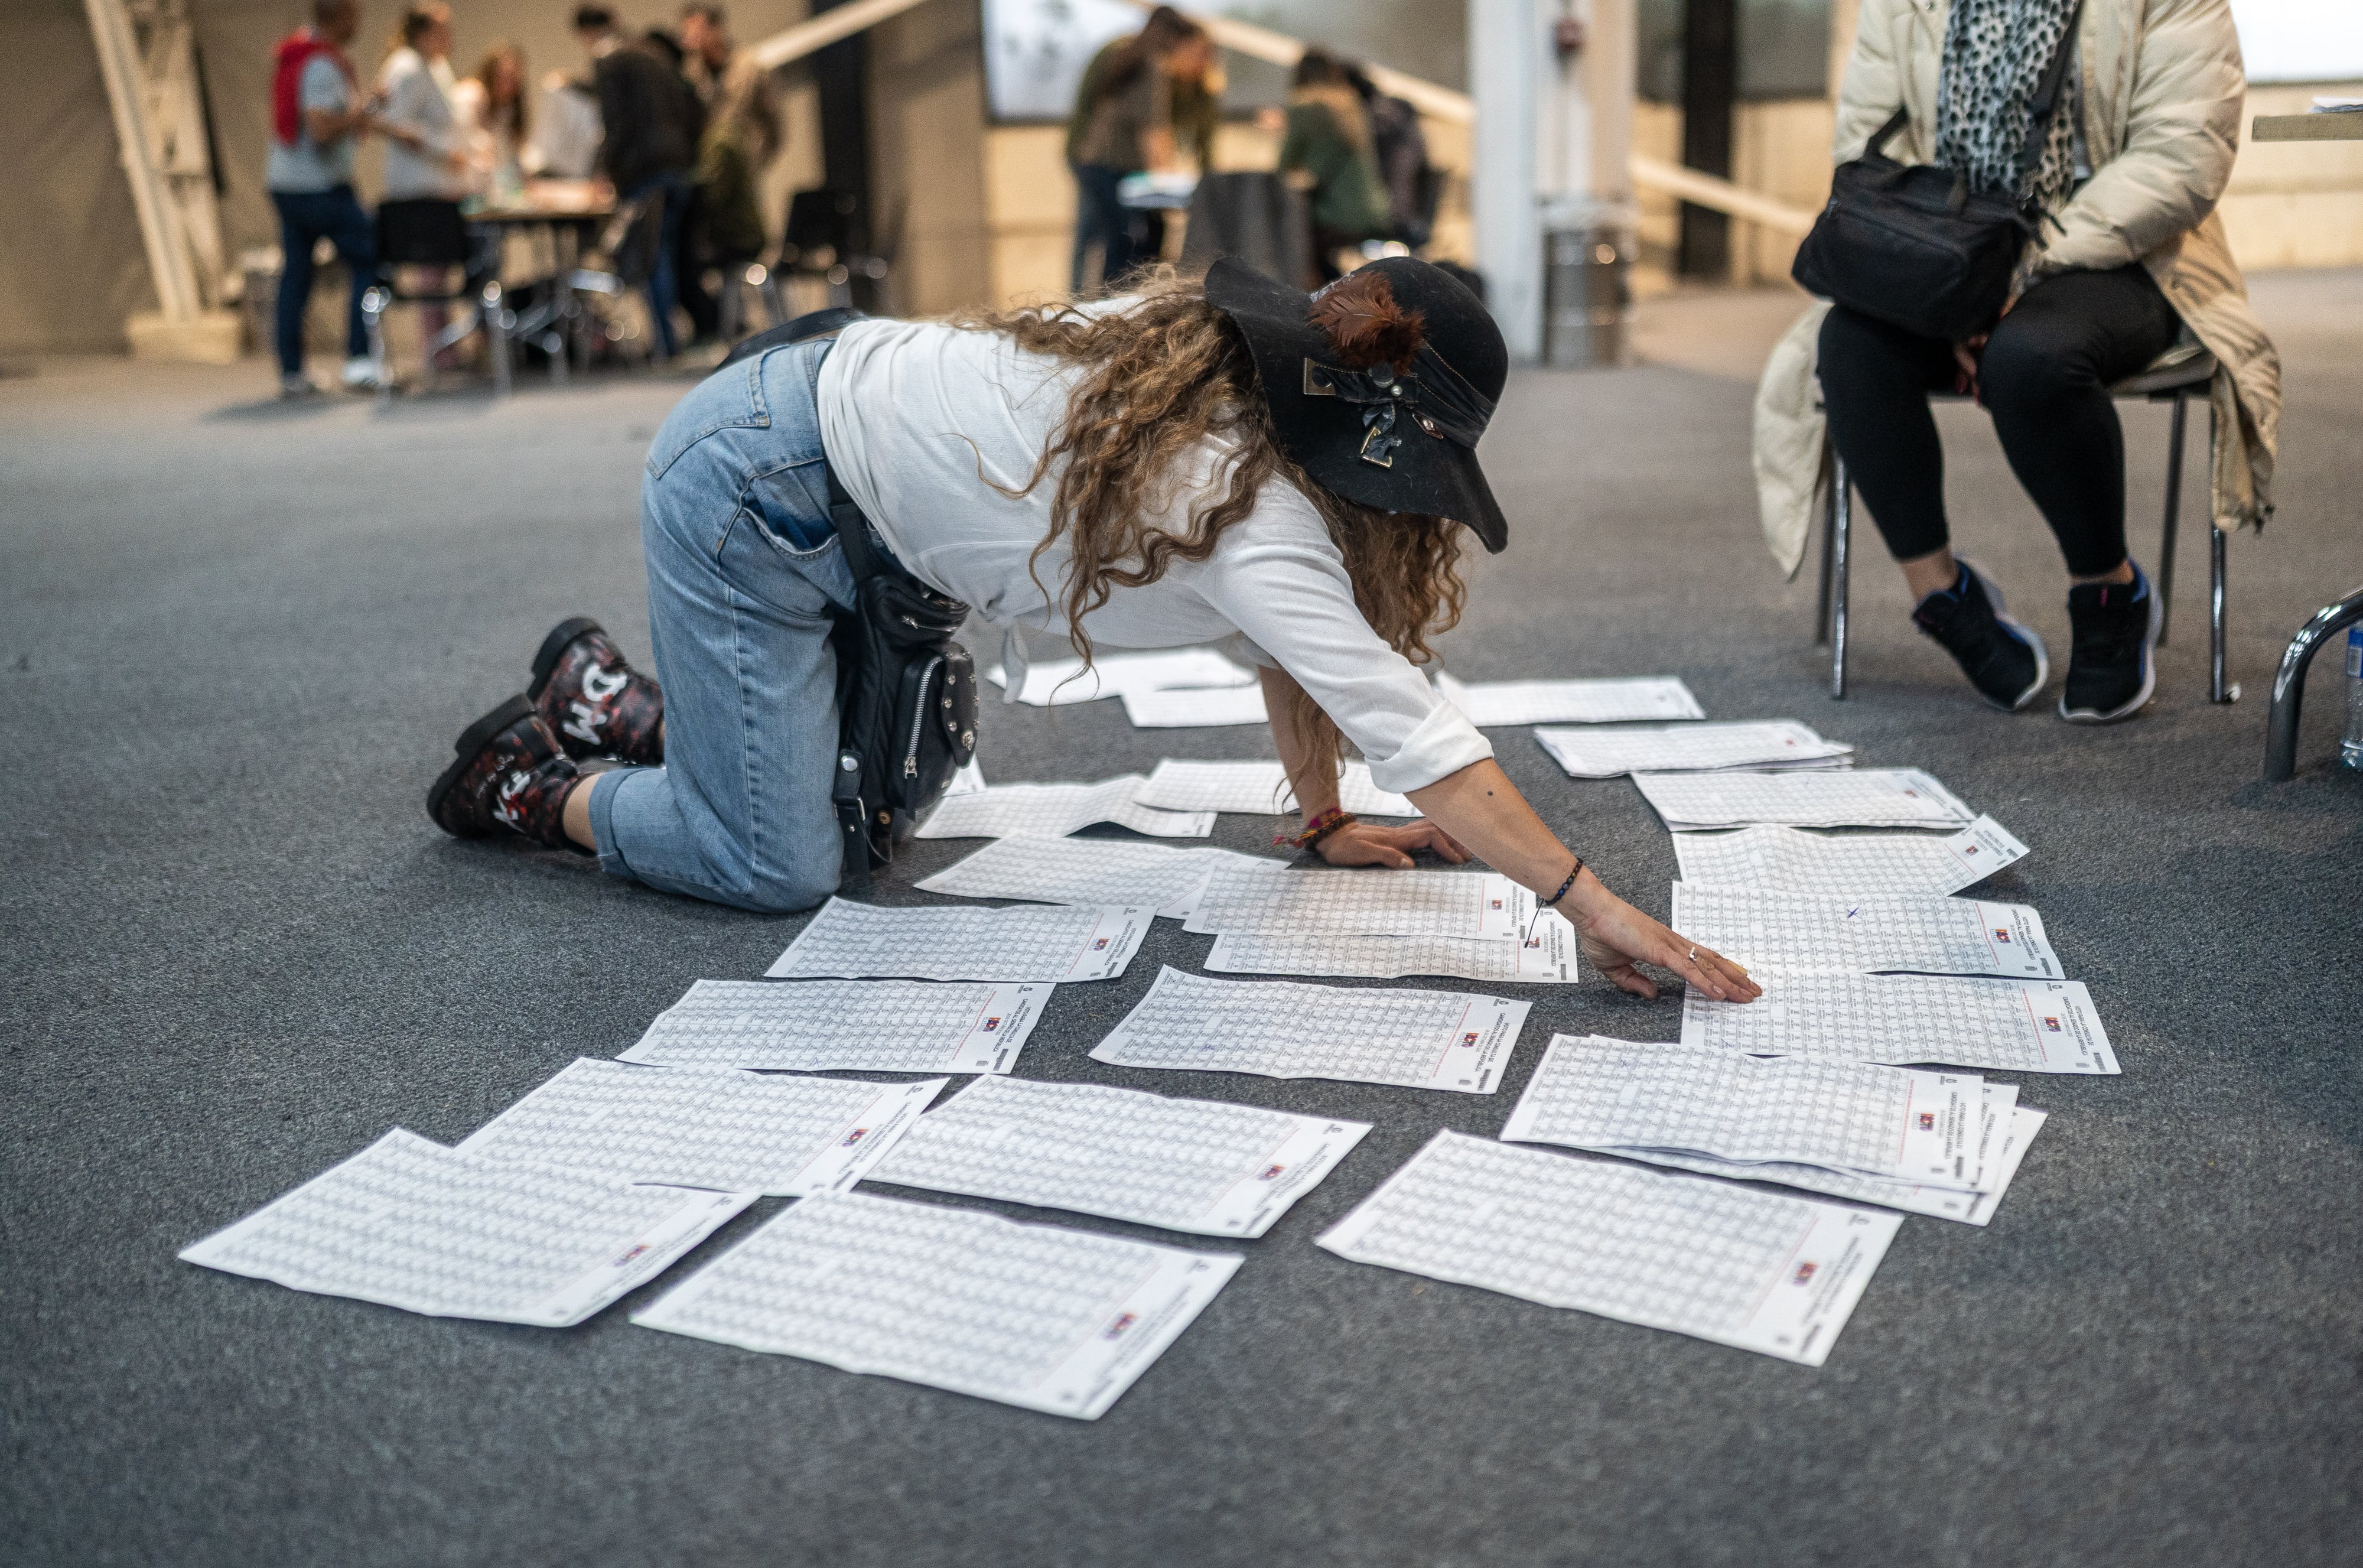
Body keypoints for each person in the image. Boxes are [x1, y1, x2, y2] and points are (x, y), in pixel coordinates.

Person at [421, 256, 1763, 1008]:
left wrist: (1318, 814)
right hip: (754, 490)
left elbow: (1309, 660)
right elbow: (1425, 737)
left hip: (848, 499)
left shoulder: (1229, 384)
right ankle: (538, 781)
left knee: (891, 812)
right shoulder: (1248, 508)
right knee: (778, 862)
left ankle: (618, 700)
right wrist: (1586, 907)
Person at [1760, 0, 2280, 723]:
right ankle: (1940, 595)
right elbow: (1869, 147)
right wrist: (1940, 281)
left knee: (2030, 359)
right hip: (1948, 254)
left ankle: (2110, 593)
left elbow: (2182, 159)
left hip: (2126, 258)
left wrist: (2018, 275)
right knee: (1850, 347)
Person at [572, 5, 704, 360]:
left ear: (586, 32)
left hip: (645, 171)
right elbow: (692, 108)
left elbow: (616, 125)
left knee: (650, 258)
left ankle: (665, 346)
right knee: (669, 254)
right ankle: (676, 339)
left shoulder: (609, 59)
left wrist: (606, 172)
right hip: (679, 166)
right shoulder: (656, 55)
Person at [265, 0, 380, 398]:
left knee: (297, 274)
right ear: (342, 16)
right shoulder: (320, 64)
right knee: (369, 259)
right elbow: (319, 128)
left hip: (288, 183)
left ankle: (292, 372)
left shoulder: (296, 53)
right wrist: (361, 112)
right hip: (319, 187)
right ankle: (361, 361)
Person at [1065, 7, 1213, 294]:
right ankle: (1116, 313)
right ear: (1177, 41)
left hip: (1092, 162)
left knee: (1100, 240)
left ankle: (1087, 306)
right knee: (1126, 244)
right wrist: (1163, 180)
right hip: (1110, 167)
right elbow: (1153, 131)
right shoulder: (1151, 65)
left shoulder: (1126, 54)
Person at [676, 4, 783, 343]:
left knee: (747, 247)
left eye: (696, 31)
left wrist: (755, 161)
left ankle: (752, 325)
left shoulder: (749, 66)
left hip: (743, 175)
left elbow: (775, 123)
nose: (690, 40)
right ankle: (724, 325)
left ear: (716, 30)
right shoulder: (690, 73)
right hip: (710, 173)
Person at [375, 4, 473, 371]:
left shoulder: (434, 66)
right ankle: (438, 353)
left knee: (441, 273)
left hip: (441, 186)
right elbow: (392, 124)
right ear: (422, 32)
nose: (450, 36)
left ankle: (446, 348)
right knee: (431, 275)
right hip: (418, 190)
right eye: (443, 29)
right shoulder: (406, 67)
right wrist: (443, 150)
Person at [1275, 50, 1393, 283]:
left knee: (1287, 231)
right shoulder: (1351, 103)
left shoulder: (1306, 107)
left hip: (1337, 216)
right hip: (1377, 209)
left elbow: (1285, 166)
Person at [1344, 60, 1431, 247]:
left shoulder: (1374, 117)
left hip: (1390, 216)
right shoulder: (1395, 109)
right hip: (1406, 215)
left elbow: (1396, 171)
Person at [452, 40, 533, 199]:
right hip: (464, 192)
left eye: (515, 81)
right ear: (490, 74)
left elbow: (507, 159)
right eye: (504, 78)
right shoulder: (470, 96)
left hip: (492, 195)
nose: (510, 87)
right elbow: (459, 145)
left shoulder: (506, 110)